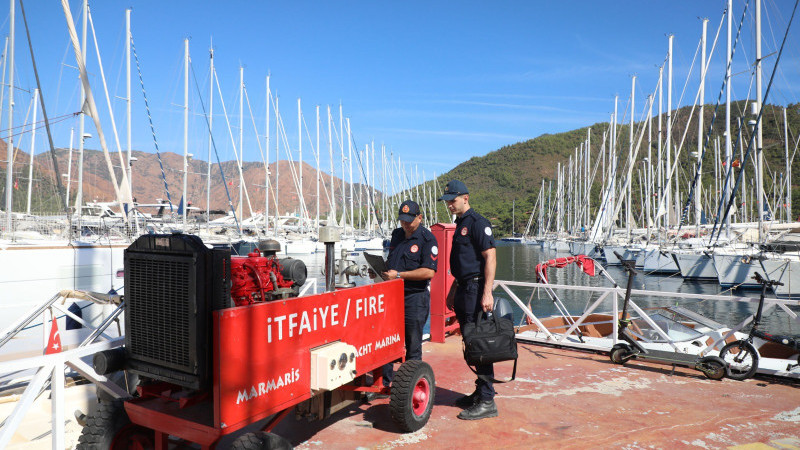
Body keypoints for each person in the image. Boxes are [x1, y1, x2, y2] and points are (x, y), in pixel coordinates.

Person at [438, 180, 498, 421]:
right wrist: (453, 290)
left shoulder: (477, 223)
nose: (450, 205)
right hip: (464, 287)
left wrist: (487, 292)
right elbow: (463, 265)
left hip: (475, 290)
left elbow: (490, 258)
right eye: (448, 201)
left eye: (453, 200)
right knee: (471, 345)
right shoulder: (461, 223)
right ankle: (481, 391)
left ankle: (487, 401)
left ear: (466, 198)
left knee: (480, 345)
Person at [379, 200, 438, 392]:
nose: (405, 225)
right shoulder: (397, 235)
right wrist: (380, 271)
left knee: (413, 346)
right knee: (387, 341)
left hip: (415, 297)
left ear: (419, 218)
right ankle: (385, 384)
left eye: (409, 221)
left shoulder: (427, 240)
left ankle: (410, 390)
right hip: (392, 296)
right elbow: (392, 262)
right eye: (402, 221)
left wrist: (399, 275)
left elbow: (429, 272)